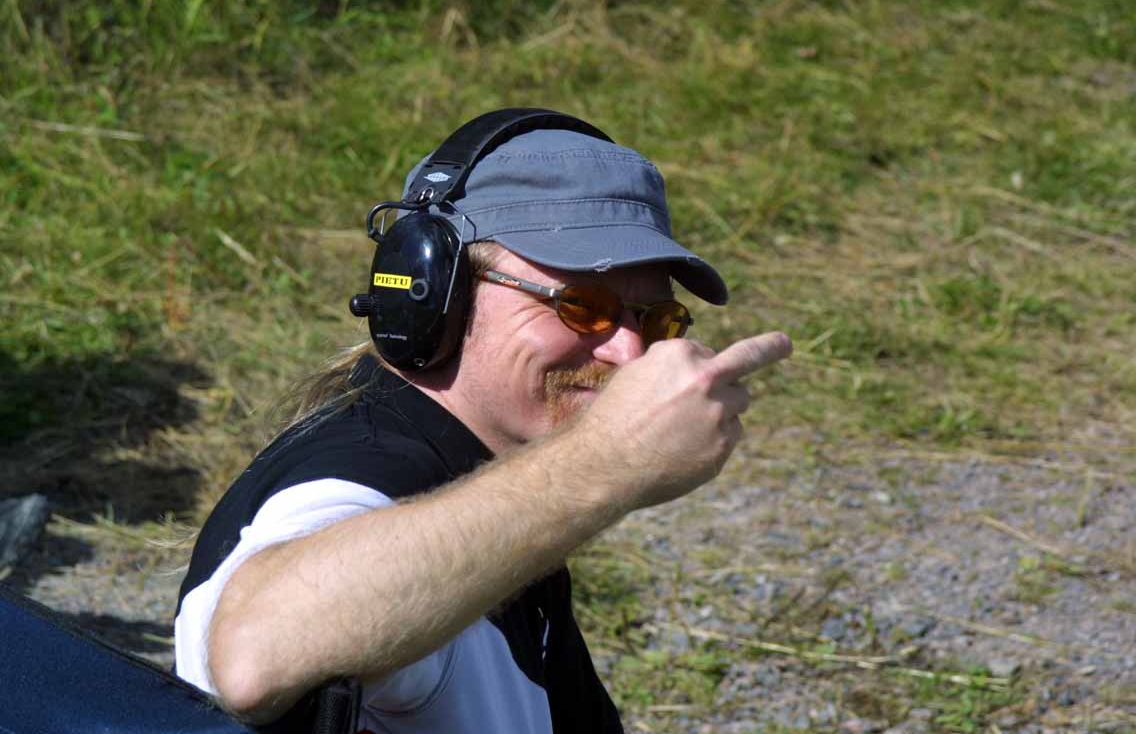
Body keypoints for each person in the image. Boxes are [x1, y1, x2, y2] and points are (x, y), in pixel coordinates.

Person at [173, 112, 791, 733]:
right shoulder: (367, 473)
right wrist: (610, 460)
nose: (630, 354)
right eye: (582, 305)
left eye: (657, 320)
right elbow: (253, 654)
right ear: (435, 290)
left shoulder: (483, 479)